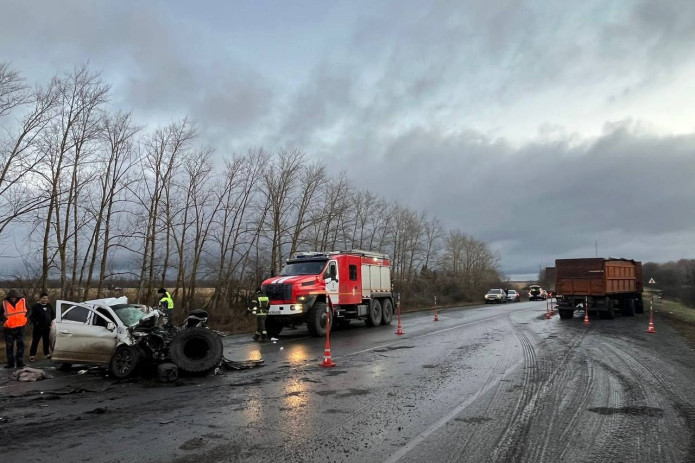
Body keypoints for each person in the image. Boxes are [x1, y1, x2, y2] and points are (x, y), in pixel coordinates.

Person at [2, 289, 28, 368]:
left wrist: (26, 318)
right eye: (11, 297)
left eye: (14, 297)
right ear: (8, 297)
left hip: (20, 327)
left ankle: (19, 361)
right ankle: (10, 363)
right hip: (9, 328)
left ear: (17, 296)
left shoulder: (23, 302)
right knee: (9, 346)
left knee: (21, 345)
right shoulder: (4, 304)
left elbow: (29, 311)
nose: (12, 298)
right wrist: (5, 321)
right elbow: (0, 314)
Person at [29, 292, 55, 361]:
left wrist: (52, 321)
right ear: (40, 298)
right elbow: (32, 317)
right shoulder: (36, 306)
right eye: (43, 298)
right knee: (35, 341)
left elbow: (53, 314)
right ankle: (32, 355)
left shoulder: (49, 306)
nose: (45, 299)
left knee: (46, 341)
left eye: (46, 298)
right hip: (38, 327)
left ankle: (46, 354)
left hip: (47, 327)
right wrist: (36, 323)